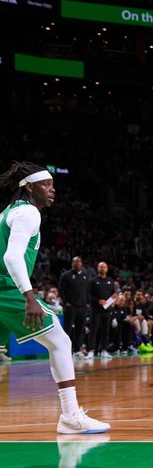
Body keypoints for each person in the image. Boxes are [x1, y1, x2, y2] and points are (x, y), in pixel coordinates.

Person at [0, 161, 110, 433]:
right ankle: (71, 416)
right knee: (60, 341)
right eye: (46, 185)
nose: (52, 190)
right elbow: (11, 257)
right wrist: (29, 297)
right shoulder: (27, 212)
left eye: (53, 185)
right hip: (6, 288)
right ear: (28, 187)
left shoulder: (8, 212)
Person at [59, 256, 90, 358]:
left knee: (80, 330)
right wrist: (65, 302)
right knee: (67, 329)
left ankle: (77, 350)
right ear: (72, 263)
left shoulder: (86, 276)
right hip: (71, 307)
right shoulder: (66, 275)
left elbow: (88, 290)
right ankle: (65, 351)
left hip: (82, 307)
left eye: (79, 262)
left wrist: (87, 302)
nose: (77, 263)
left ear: (82, 264)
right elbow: (61, 289)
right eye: (75, 262)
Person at [88, 261, 116, 360]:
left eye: (104, 267)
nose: (103, 268)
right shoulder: (93, 281)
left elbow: (113, 295)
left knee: (106, 331)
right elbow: (89, 295)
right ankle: (91, 351)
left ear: (107, 269)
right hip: (95, 310)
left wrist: (111, 302)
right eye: (101, 267)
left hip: (107, 310)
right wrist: (98, 301)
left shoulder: (111, 281)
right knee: (94, 330)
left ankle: (104, 350)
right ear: (97, 268)